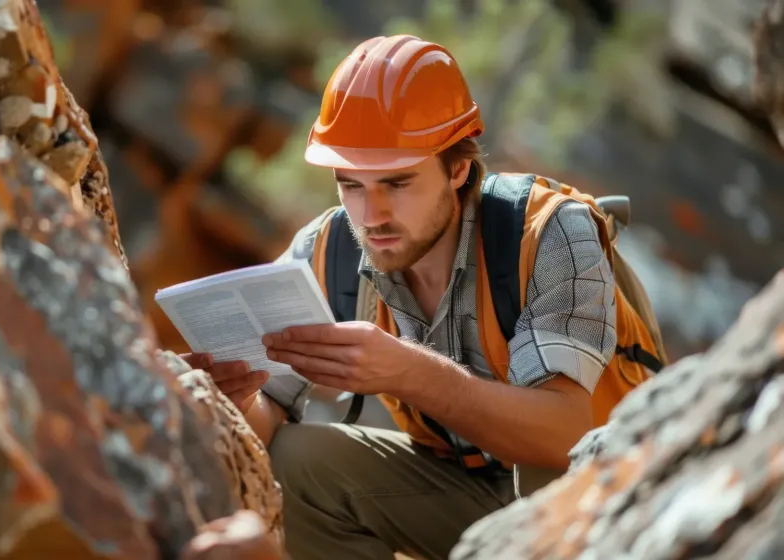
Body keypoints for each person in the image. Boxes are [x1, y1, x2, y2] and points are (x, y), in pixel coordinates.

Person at [181, 34, 663, 560]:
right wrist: (229, 403)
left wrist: (409, 372)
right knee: (293, 459)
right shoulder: (330, 251)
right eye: (352, 185)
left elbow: (562, 436)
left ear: (457, 168)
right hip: (470, 495)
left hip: (615, 497)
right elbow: (266, 421)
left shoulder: (549, 232)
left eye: (397, 182)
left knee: (545, 468)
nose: (371, 215)